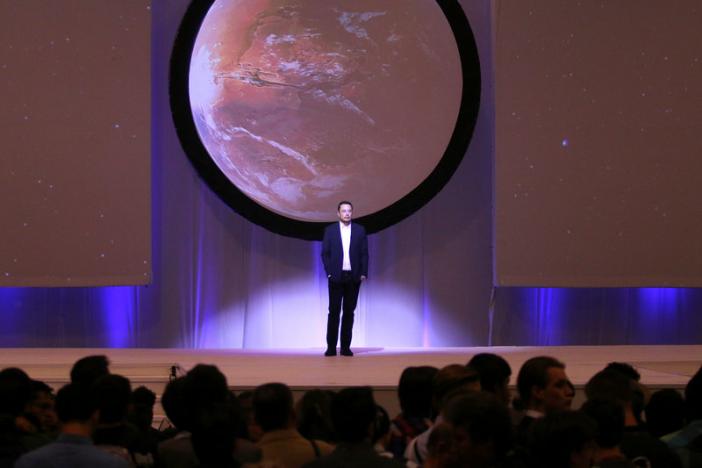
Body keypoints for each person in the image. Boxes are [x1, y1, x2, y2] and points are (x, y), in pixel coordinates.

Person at [321, 201, 368, 357]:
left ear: (352, 213)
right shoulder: (330, 230)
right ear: (338, 213)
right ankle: (331, 347)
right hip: (336, 276)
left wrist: (363, 273)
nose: (347, 213)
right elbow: (325, 254)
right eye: (344, 211)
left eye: (349, 211)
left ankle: (346, 347)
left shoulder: (360, 230)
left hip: (353, 277)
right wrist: (329, 272)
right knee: (333, 312)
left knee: (349, 312)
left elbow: (364, 253)